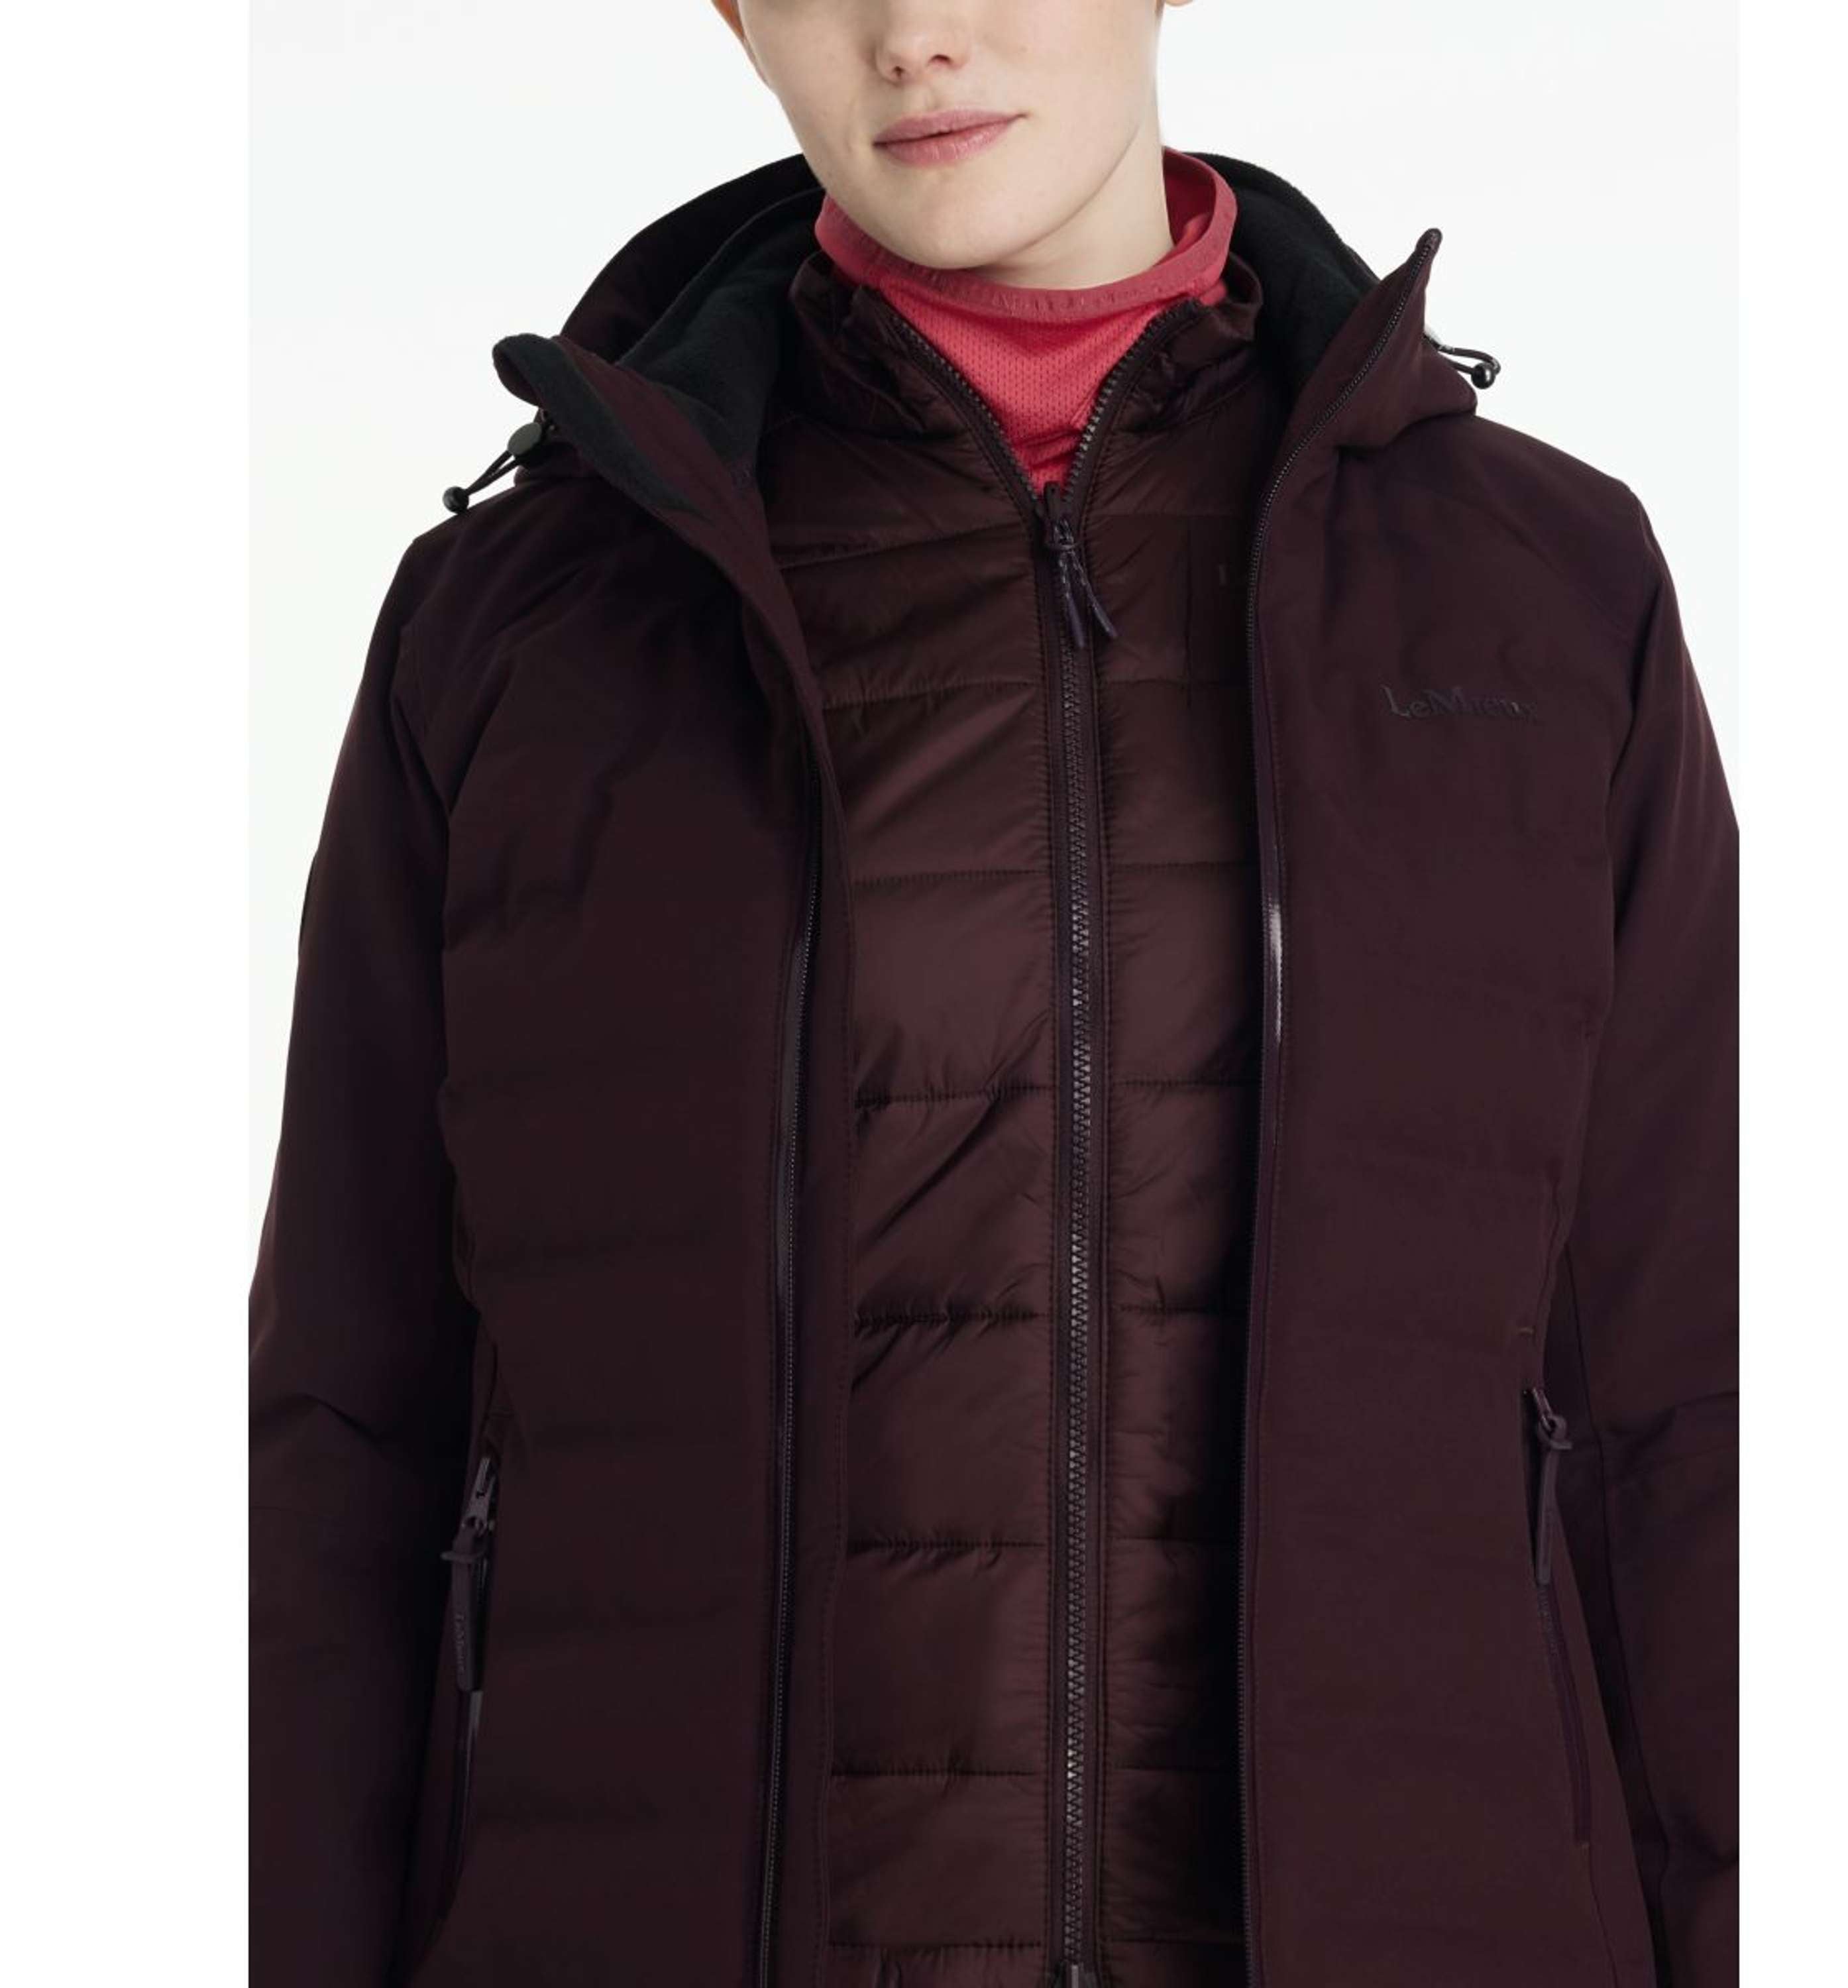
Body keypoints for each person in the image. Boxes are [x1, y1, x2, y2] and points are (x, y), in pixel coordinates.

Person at [248, 3, 1738, 1985]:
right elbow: (347, 1426)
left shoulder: (1544, 591)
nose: (917, 35)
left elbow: (1686, 1401)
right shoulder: (522, 631)